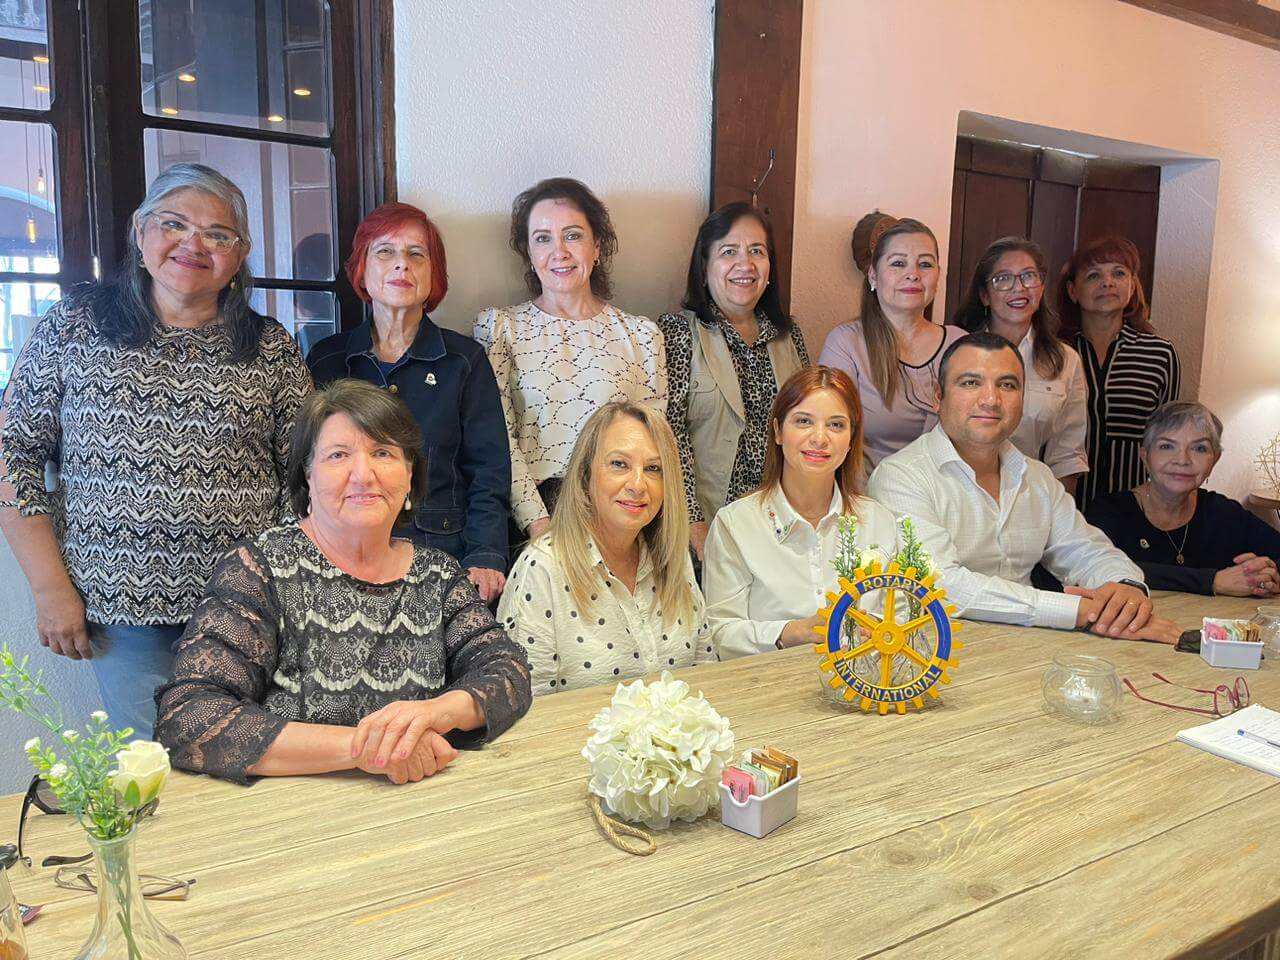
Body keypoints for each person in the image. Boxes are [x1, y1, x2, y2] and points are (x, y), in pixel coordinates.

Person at [0, 162, 312, 738]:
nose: (194, 244)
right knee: (154, 767)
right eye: (174, 224)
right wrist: (49, 588)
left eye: (218, 234)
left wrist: (299, 590)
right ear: (140, 230)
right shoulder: (75, 324)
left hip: (247, 608)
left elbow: (306, 475)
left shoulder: (268, 346)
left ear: (239, 255)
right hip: (121, 611)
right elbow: (14, 453)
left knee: (246, 757)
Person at [155, 380, 532, 784]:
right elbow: (187, 716)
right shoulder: (259, 569)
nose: (363, 475)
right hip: (292, 811)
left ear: (409, 474)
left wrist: (436, 712)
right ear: (308, 475)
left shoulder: (437, 574)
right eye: (338, 455)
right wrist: (366, 749)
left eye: (383, 453)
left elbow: (508, 668)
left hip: (419, 802)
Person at [868, 332, 1181, 643]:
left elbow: (1086, 550)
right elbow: (941, 585)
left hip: (1031, 650)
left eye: (1007, 385)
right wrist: (1077, 611)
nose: (991, 400)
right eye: (970, 382)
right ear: (938, 396)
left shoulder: (1038, 478)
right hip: (935, 653)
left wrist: (1124, 589)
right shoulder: (900, 476)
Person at [308, 202, 511, 602]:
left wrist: (486, 554)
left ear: (434, 275)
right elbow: (309, 464)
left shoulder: (464, 360)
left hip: (444, 555)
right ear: (361, 269)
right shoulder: (327, 358)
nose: (402, 264)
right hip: (341, 553)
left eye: (417, 254)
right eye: (385, 252)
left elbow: (489, 469)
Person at [474, 178, 666, 551]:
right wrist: (540, 526)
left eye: (573, 236)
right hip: (536, 522)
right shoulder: (500, 329)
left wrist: (622, 524)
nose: (559, 251)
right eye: (543, 238)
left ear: (597, 248)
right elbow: (498, 440)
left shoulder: (641, 335)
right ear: (529, 253)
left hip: (622, 515)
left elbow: (652, 446)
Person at [498, 402, 714, 694]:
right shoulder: (542, 568)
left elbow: (706, 677)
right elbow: (526, 706)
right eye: (619, 464)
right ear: (585, 475)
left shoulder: (673, 558)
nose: (638, 484)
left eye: (653, 469)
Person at [704, 366, 901, 659]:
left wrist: (880, 628)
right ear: (778, 431)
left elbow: (903, 615)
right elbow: (719, 634)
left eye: (836, 425)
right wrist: (790, 633)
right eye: (803, 421)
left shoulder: (878, 520)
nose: (819, 438)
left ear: (851, 439)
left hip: (867, 678)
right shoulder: (735, 524)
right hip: (770, 682)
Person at [656, 202, 808, 559]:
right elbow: (669, 435)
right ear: (704, 267)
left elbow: (806, 425)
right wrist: (693, 525)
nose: (746, 264)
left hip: (781, 525)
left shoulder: (788, 335)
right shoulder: (678, 331)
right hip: (708, 529)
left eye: (757, 251)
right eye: (728, 252)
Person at [1087, 402, 1280, 597]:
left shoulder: (1224, 512)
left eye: (1199, 448)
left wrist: (1263, 574)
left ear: (1215, 459)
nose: (1182, 460)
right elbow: (1096, 568)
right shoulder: (1109, 512)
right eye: (1166, 446)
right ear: (1145, 456)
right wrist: (1212, 581)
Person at [819, 214, 965, 473]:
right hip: (869, 491)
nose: (913, 274)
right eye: (898, 263)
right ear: (874, 276)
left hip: (948, 491)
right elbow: (829, 435)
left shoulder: (961, 345)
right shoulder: (845, 343)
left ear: (938, 276)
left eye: (925, 264)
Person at [952, 237, 1087, 494]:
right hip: (959, 491)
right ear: (984, 295)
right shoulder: (957, 350)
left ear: (1041, 287)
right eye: (1003, 279)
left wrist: (1054, 512)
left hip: (1031, 496)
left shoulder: (1065, 360)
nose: (1019, 288)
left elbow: (1067, 456)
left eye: (1028, 276)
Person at [1058, 235, 1180, 510]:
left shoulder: (1159, 353)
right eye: (1093, 275)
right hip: (1065, 509)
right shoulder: (1054, 354)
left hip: (1135, 510)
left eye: (1119, 273)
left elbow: (1168, 438)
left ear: (1132, 286)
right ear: (1073, 290)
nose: (1107, 282)